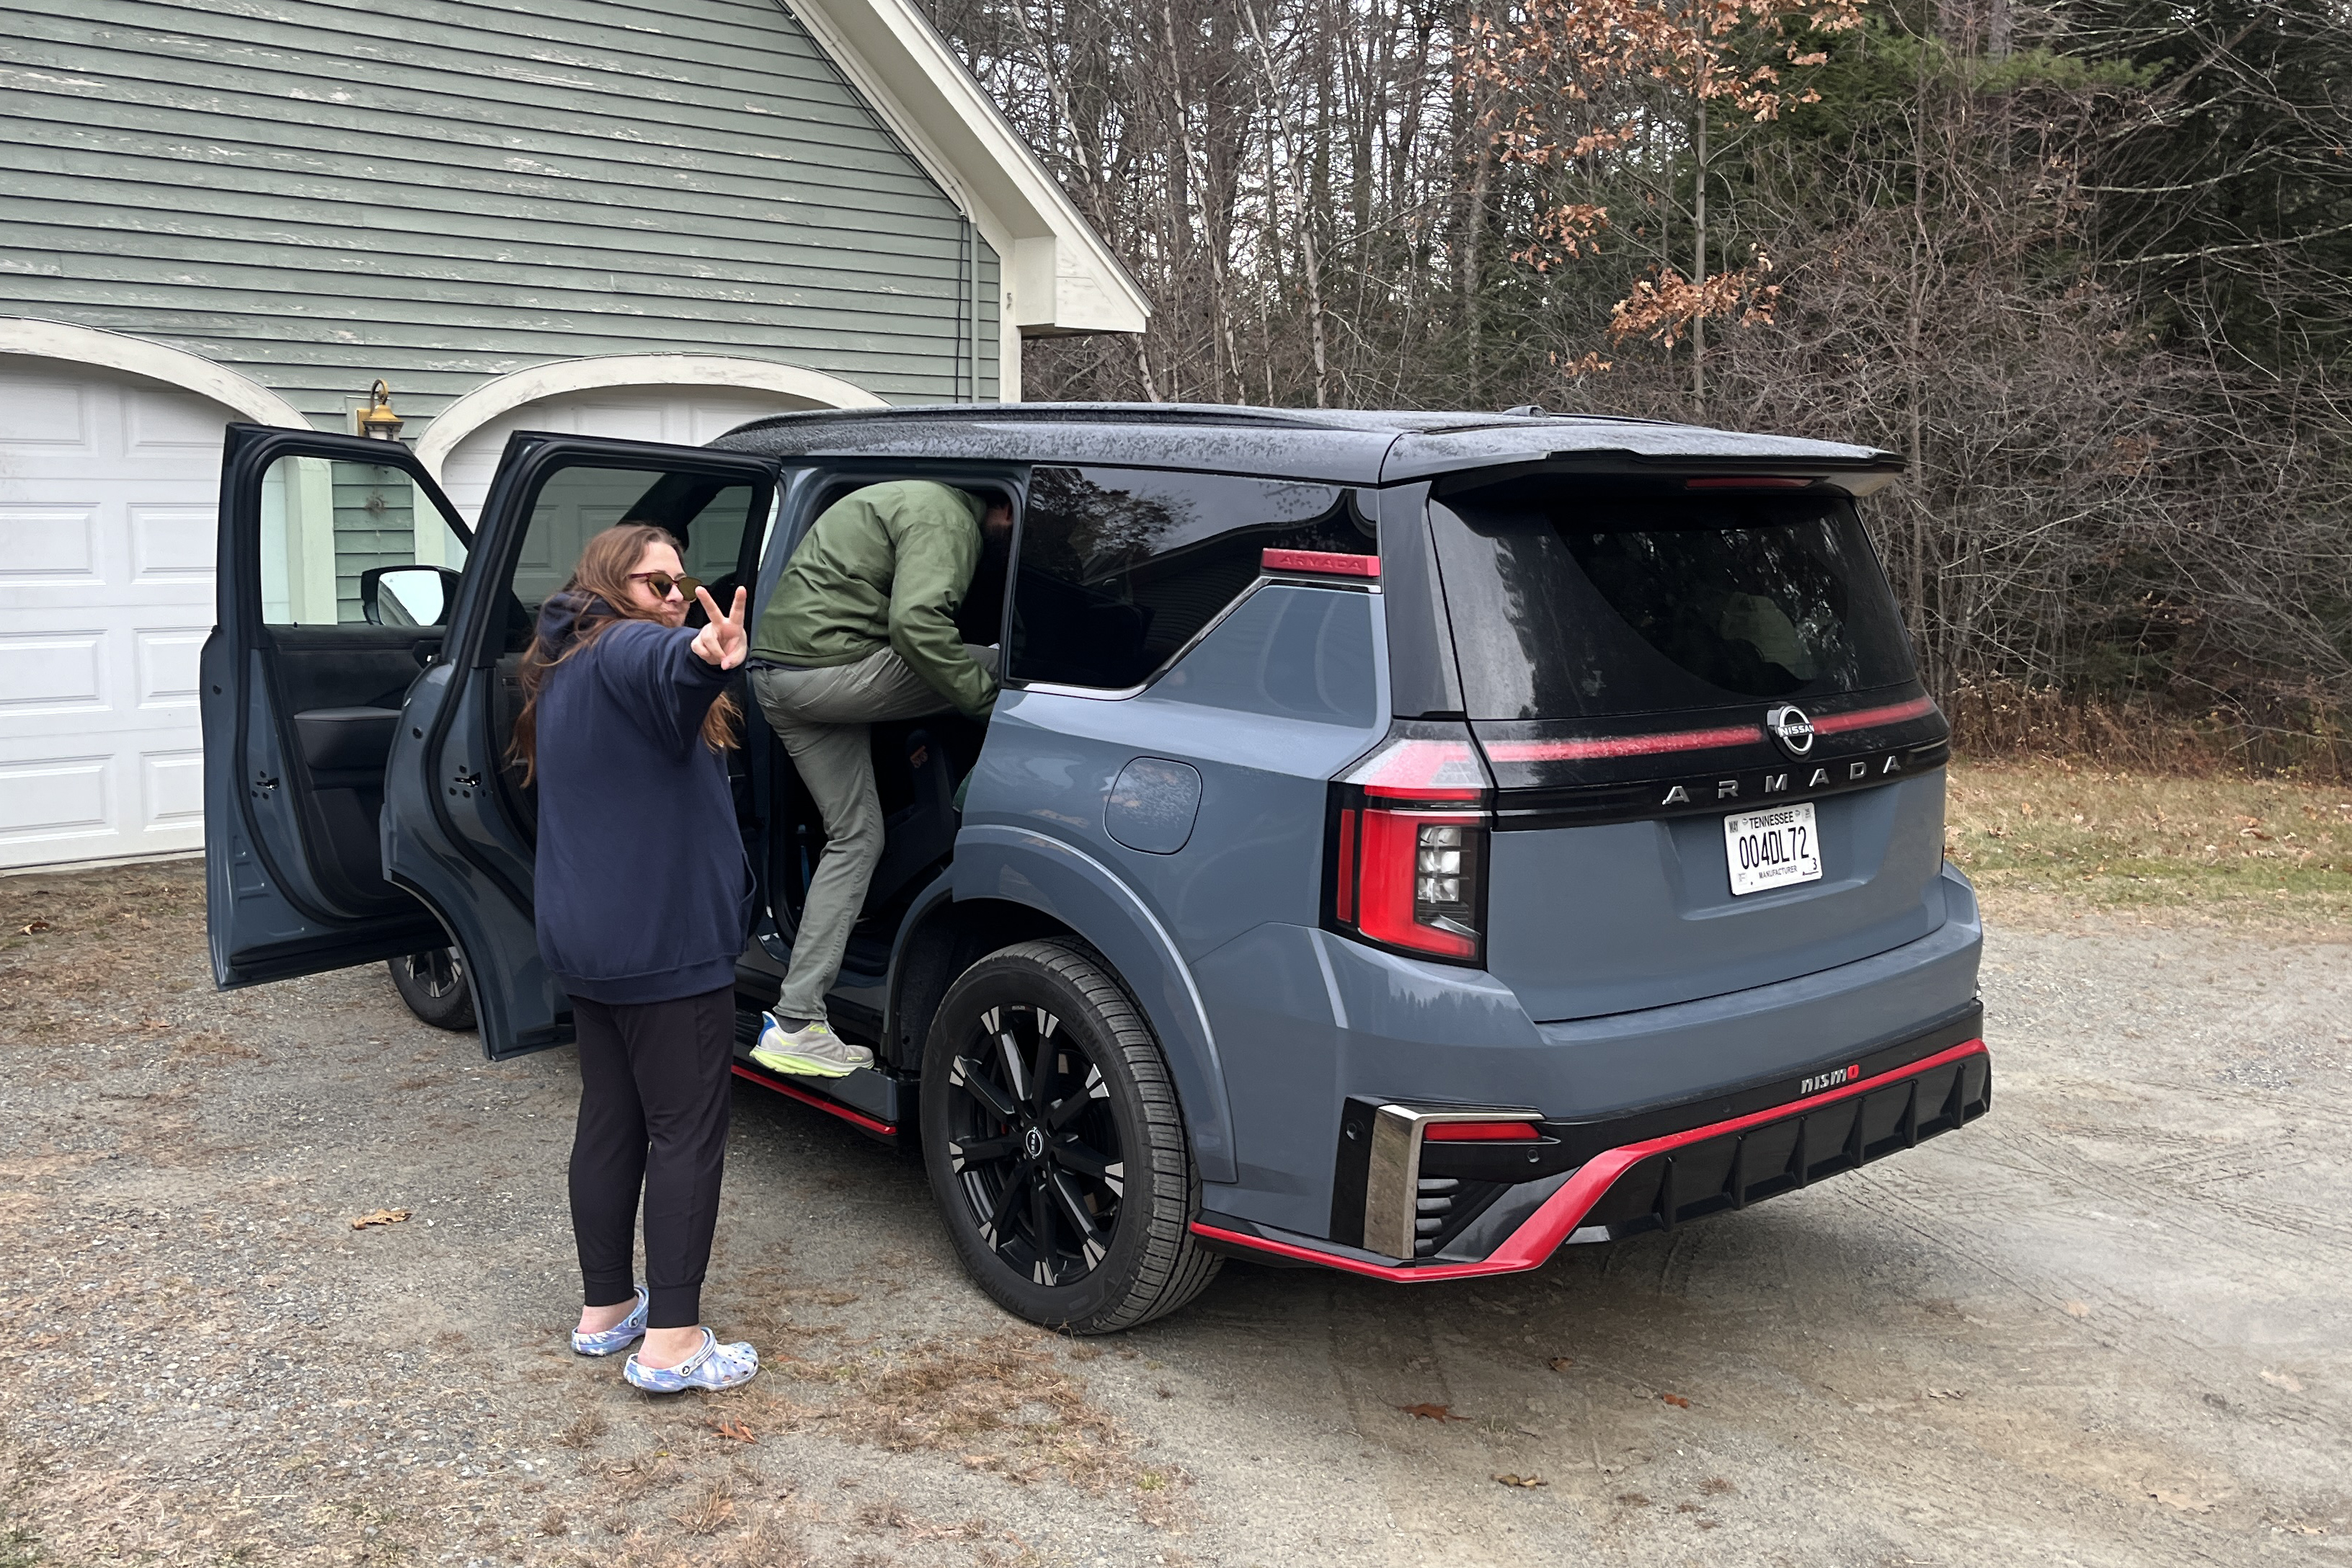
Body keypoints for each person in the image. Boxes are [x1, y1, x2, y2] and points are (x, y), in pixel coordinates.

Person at [507, 522, 760, 1394]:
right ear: (614, 585)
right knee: (684, 1131)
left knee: (611, 1121)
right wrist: (701, 651)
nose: (672, 595)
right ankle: (674, 1341)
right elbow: (667, 668)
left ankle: (607, 1309)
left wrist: (687, 655)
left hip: (589, 939)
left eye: (680, 583)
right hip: (663, 942)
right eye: (656, 584)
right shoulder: (626, 651)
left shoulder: (561, 667)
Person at [745, 480, 1011, 1078]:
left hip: (778, 681)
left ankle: (795, 1024)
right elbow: (917, 626)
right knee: (1007, 664)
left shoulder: (900, 497)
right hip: (827, 673)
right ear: (1001, 505)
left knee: (855, 838)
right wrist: (986, 704)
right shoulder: (947, 518)